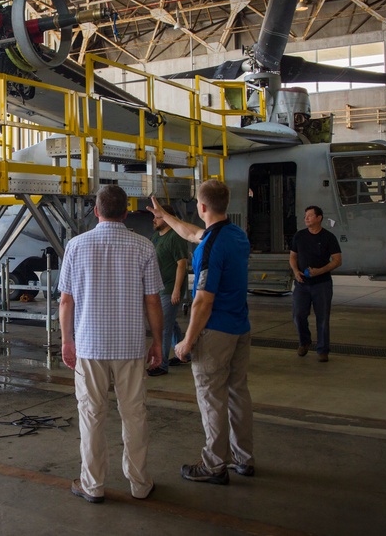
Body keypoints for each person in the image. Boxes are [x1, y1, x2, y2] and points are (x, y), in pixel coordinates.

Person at [58, 185, 164, 503]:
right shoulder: (144, 247)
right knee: (134, 415)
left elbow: (65, 301)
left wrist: (66, 340)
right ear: (126, 212)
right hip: (130, 348)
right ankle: (140, 484)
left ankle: (93, 486)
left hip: (89, 347)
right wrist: (158, 341)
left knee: (92, 415)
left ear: (96, 211)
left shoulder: (76, 246)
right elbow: (153, 302)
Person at [149, 180, 254, 485]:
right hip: (240, 328)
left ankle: (214, 465)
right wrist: (165, 216)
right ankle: (243, 459)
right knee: (238, 395)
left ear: (203, 207)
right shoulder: (236, 235)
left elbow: (203, 300)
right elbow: (193, 233)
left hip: (215, 333)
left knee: (212, 400)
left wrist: (187, 340)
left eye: (197, 203)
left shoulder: (211, 246)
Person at [289, 205, 342, 363]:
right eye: (305, 216)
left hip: (322, 284)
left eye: (310, 216)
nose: (306, 218)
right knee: (298, 315)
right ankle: (304, 342)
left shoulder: (328, 237)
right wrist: (295, 271)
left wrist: (320, 271)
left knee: (323, 317)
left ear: (319, 218)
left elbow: (337, 260)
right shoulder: (299, 236)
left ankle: (323, 350)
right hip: (302, 284)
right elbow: (292, 257)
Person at [148, 204, 189, 376]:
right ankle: (183, 354)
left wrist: (177, 290)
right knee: (170, 323)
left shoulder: (175, 237)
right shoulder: (156, 237)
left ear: (167, 218)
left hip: (170, 288)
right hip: (159, 287)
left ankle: (161, 364)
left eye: (157, 217)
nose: (154, 220)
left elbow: (182, 264)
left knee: (163, 326)